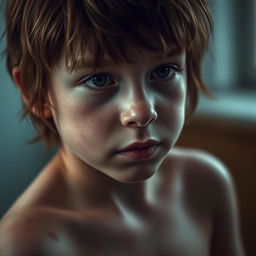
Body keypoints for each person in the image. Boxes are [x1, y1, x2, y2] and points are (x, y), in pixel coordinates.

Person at [0, 0, 245, 255]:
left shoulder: (205, 184)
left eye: (164, 71)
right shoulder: (27, 244)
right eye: (99, 79)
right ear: (35, 93)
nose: (142, 111)